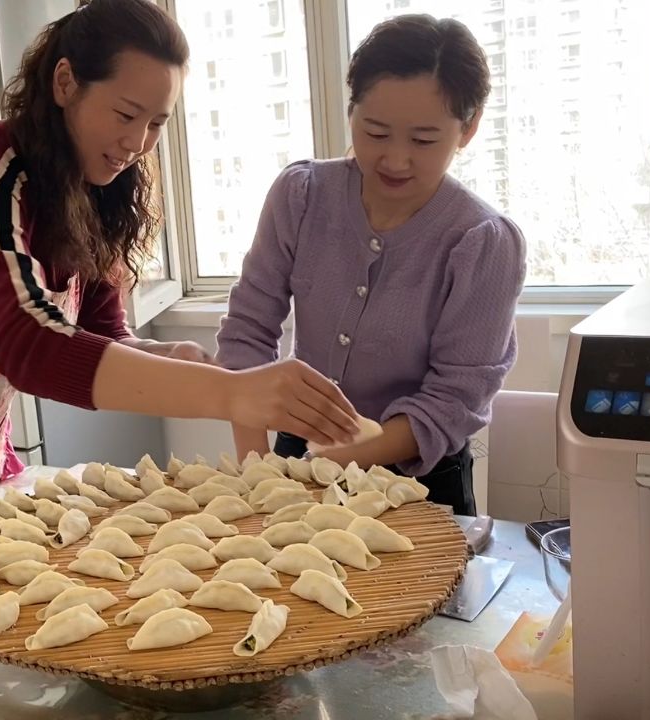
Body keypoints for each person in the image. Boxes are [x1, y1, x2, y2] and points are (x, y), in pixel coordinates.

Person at [0, 0, 359, 574]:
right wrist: (230, 395)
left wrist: (164, 357)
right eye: (126, 114)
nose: (139, 144)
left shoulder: (99, 192)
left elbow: (99, 334)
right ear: (64, 82)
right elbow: (33, 347)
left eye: (157, 123)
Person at [216, 15, 527, 515]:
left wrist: (341, 456)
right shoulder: (301, 196)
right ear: (351, 111)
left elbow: (454, 397)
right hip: (297, 457)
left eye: (423, 140)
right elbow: (249, 329)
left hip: (420, 481)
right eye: (375, 132)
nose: (395, 160)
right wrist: (256, 467)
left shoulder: (482, 242)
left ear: (468, 127)